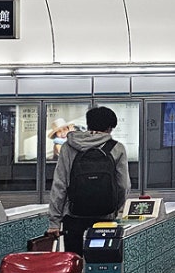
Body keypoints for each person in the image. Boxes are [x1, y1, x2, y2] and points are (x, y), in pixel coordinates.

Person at [47, 106, 131, 257]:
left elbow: (60, 184)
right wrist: (114, 208)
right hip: (104, 218)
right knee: (101, 265)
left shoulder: (69, 146)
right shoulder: (117, 148)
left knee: (74, 264)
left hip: (73, 218)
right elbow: (123, 185)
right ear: (110, 127)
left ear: (88, 124)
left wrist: (54, 222)